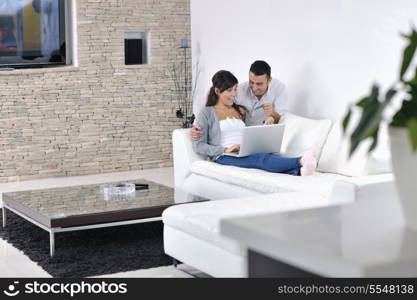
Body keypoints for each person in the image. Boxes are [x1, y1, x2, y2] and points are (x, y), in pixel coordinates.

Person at [192, 70, 316, 176]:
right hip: (224, 156)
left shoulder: (239, 110)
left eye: (235, 89)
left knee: (265, 156)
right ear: (218, 91)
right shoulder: (206, 113)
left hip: (244, 151)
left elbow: (249, 131)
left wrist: (267, 123)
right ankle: (300, 161)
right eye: (229, 90)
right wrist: (225, 149)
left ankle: (299, 172)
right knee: (260, 159)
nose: (234, 94)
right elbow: (199, 145)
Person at [190, 60, 287, 140]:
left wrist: (272, 114)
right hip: (244, 137)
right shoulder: (239, 90)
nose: (254, 87)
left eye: (259, 84)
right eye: (251, 82)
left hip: (266, 135)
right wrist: (196, 126)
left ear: (269, 80)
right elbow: (216, 99)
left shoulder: (279, 89)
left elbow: (281, 118)